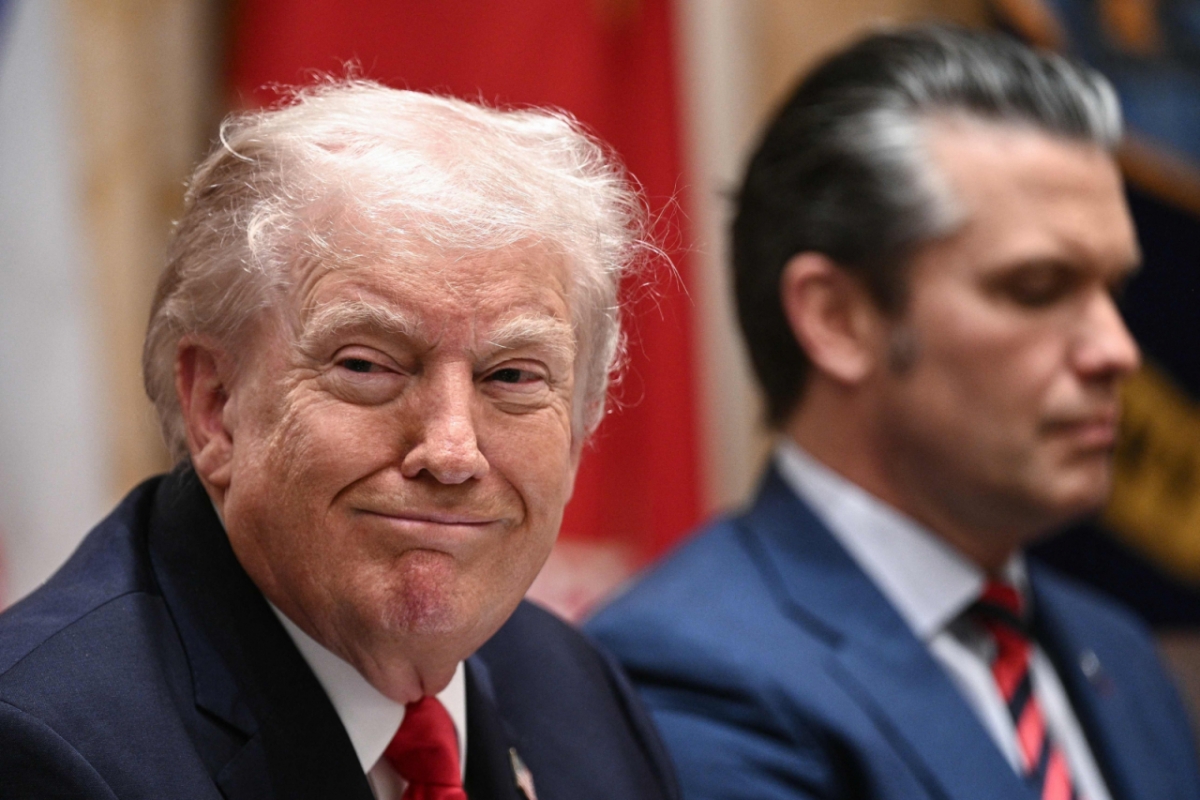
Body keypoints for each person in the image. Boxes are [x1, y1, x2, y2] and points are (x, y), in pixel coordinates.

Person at [0, 82, 679, 800]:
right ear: (217, 407)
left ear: (578, 427)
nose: (453, 453)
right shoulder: (45, 754)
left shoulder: (575, 693)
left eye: (511, 376)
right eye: (367, 366)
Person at [588, 24, 1200, 800]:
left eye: (1113, 292)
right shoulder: (690, 670)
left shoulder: (1117, 651)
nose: (1116, 351)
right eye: (1037, 289)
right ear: (838, 319)